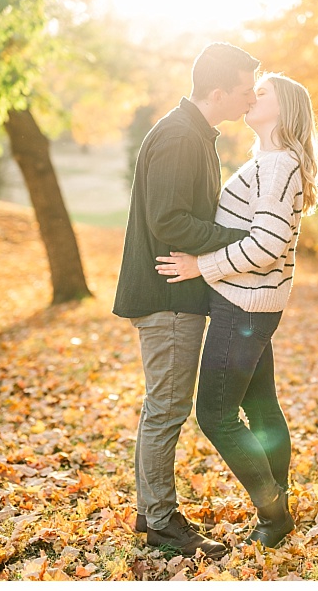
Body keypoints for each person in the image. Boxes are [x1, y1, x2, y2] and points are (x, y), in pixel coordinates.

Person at [155, 73, 318, 549]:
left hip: (243, 306)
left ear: (284, 109)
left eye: (261, 92)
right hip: (252, 303)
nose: (251, 97)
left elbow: (267, 245)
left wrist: (199, 266)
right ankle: (279, 509)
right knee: (261, 405)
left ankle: (273, 511)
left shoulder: (279, 165)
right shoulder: (271, 160)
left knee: (215, 414)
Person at [112, 43, 259, 559]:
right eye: (245, 91)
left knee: (163, 406)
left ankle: (151, 508)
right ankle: (159, 521)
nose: (250, 99)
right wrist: (237, 236)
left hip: (177, 294)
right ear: (218, 91)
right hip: (168, 296)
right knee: (166, 408)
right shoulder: (179, 137)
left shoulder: (192, 133)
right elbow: (169, 222)